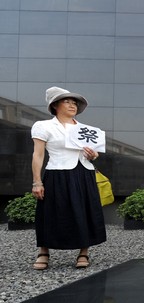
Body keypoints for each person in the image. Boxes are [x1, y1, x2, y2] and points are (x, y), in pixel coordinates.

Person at [31, 87, 106, 270]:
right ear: (55, 105)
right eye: (67, 101)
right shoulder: (43, 126)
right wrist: (37, 181)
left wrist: (92, 155)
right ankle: (43, 251)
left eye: (74, 102)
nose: (72, 105)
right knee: (50, 212)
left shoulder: (86, 129)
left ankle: (84, 252)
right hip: (58, 173)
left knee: (85, 210)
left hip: (84, 173)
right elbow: (38, 155)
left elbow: (93, 154)